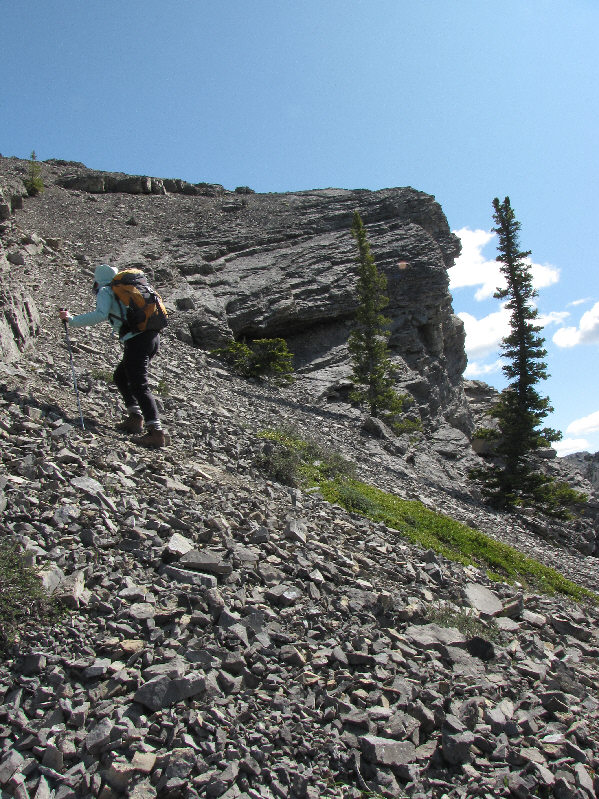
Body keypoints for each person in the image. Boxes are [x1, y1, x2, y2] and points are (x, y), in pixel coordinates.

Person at [59, 263, 166, 448]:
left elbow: (100, 314)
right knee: (121, 376)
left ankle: (156, 433)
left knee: (139, 384)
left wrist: (72, 320)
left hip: (137, 340)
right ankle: (135, 418)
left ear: (97, 280)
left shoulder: (106, 291)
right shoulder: (126, 288)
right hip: (152, 337)